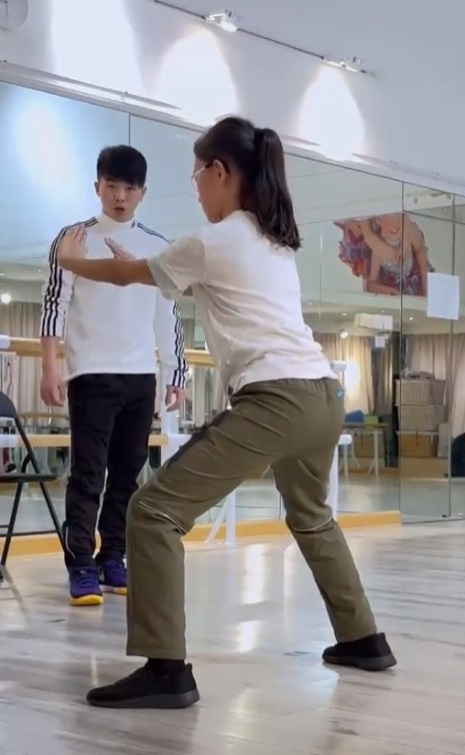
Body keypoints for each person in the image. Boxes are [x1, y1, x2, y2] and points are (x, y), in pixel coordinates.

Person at [56, 117, 396, 710]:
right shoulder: (272, 239)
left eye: (196, 176)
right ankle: (364, 639)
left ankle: (165, 670)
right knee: (313, 518)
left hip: (276, 399)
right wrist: (139, 266)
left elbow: (127, 275)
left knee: (153, 511)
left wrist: (71, 261)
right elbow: (186, 282)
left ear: (219, 172)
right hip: (322, 395)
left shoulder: (212, 241)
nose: (194, 189)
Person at [40, 145, 187, 607]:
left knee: (127, 474)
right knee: (89, 474)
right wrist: (51, 367)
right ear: (97, 186)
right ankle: (81, 562)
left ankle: (113, 556)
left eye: (129, 188)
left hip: (140, 375)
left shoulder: (158, 246)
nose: (120, 196)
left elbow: (168, 315)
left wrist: (175, 373)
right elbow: (54, 305)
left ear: (143, 193)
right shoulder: (73, 240)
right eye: (111, 186)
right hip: (90, 373)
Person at [336, 213, 432, 296]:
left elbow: (420, 249)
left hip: (413, 280)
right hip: (393, 284)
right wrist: (389, 291)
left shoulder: (410, 232)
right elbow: (371, 284)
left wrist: (425, 280)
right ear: (378, 222)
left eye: (397, 214)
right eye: (386, 216)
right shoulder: (377, 252)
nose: (393, 224)